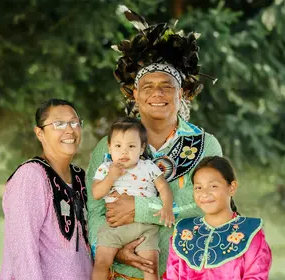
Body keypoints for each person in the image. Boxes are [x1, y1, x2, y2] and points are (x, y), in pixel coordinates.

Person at [86, 6, 223, 279]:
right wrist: (113, 249)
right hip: (123, 271)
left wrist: (141, 208)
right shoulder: (109, 146)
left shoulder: (206, 146)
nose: (157, 93)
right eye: (147, 86)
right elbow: (94, 209)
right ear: (134, 94)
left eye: (167, 86)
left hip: (185, 270)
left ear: (182, 92)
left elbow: (207, 205)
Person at [0, 99, 93, 280]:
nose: (69, 130)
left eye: (74, 122)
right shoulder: (31, 176)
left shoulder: (81, 178)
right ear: (40, 133)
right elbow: (22, 251)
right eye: (58, 124)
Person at [91, 117, 175, 280]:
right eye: (118, 146)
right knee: (101, 262)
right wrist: (110, 178)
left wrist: (167, 207)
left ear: (142, 148)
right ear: (109, 147)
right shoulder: (105, 168)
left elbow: (164, 187)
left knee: (150, 266)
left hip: (145, 228)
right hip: (114, 227)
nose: (124, 151)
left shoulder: (148, 167)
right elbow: (96, 193)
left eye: (131, 146)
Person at [163, 156, 272, 280]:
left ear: (232, 187)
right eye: (198, 187)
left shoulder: (250, 232)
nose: (204, 193)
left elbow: (255, 276)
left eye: (213, 186)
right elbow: (171, 276)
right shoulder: (183, 232)